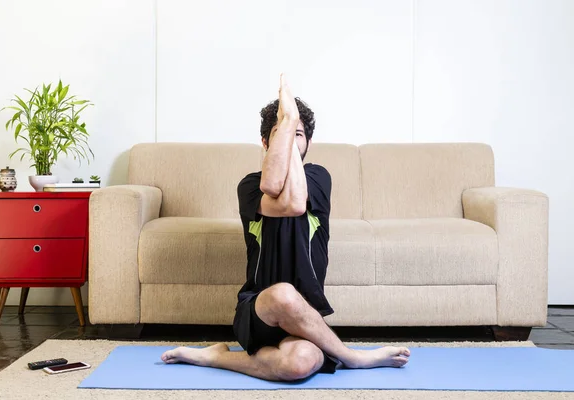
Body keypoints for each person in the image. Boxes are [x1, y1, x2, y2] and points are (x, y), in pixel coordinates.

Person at [161, 74, 410, 381]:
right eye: (282, 134)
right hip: (258, 311)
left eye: (298, 135)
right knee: (282, 295)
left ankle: (218, 357)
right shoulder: (249, 187)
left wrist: (286, 125)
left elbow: (295, 198)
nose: (292, 139)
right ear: (266, 142)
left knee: (299, 365)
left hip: (304, 317)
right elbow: (278, 192)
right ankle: (354, 358)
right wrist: (289, 119)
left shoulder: (319, 177)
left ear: (309, 143)